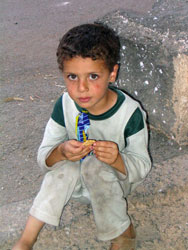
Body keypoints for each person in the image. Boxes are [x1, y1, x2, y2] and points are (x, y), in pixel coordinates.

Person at [13, 23, 151, 250]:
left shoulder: (130, 114)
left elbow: (143, 166)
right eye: (72, 77)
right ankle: (26, 239)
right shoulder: (64, 105)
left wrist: (117, 159)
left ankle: (123, 232)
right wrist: (60, 152)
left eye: (93, 76)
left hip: (113, 187)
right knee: (65, 166)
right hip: (75, 189)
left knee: (95, 166)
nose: (82, 88)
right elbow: (44, 157)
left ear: (112, 73)